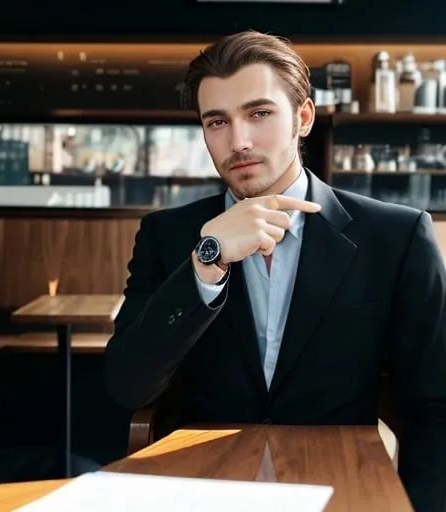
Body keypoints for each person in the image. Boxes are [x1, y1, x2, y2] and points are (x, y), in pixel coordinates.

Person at [103, 31, 446, 512]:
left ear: (303, 118)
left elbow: (435, 405)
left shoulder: (396, 236)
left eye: (259, 113)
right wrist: (208, 259)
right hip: (203, 482)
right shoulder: (170, 234)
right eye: (217, 121)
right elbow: (126, 387)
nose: (238, 141)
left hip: (340, 478)